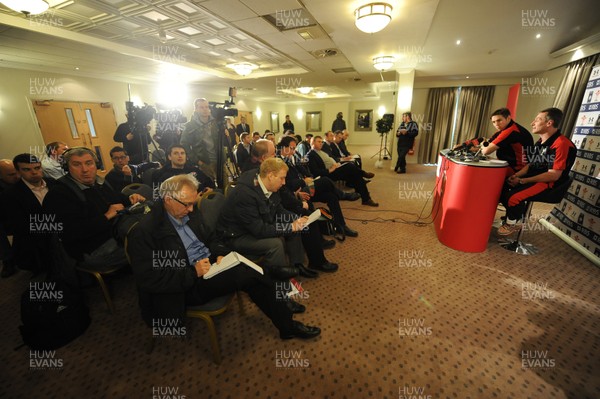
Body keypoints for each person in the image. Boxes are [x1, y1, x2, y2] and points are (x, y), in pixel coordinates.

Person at [128, 174, 320, 340]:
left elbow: (210, 239)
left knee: (250, 276)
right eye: (187, 204)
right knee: (248, 275)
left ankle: (285, 321)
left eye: (193, 204)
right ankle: (284, 314)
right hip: (185, 286)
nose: (191, 210)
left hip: (209, 267)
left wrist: (219, 254)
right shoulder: (146, 232)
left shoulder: (187, 212)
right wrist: (192, 272)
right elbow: (149, 280)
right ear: (168, 199)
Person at [43, 147, 146, 266]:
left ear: (96, 164)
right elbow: (70, 233)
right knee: (148, 246)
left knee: (152, 234)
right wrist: (106, 216)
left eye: (89, 163)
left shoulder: (99, 182)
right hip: (92, 249)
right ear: (67, 168)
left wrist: (130, 198)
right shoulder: (58, 194)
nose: (85, 170)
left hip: (115, 232)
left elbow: (116, 198)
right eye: (76, 164)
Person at [217, 157, 310, 279]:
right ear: (271, 175)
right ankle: (276, 284)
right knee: (275, 244)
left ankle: (297, 266)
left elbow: (278, 209)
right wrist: (290, 226)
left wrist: (294, 219)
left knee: (294, 226)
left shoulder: (269, 184)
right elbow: (260, 230)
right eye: (282, 178)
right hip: (236, 236)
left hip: (254, 226)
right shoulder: (245, 194)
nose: (284, 182)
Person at [498, 108, 576, 235]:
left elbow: (553, 175)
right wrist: (516, 176)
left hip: (549, 184)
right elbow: (531, 165)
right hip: (534, 178)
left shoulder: (561, 144)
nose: (532, 123)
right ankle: (517, 216)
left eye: (537, 119)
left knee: (513, 198)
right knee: (500, 188)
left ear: (549, 123)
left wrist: (522, 181)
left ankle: (513, 222)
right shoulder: (540, 141)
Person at [278, 136, 359, 237]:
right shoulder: (279, 162)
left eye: (294, 148)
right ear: (283, 148)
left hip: (306, 186)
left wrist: (309, 178)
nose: (294, 151)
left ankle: (341, 226)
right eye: (292, 148)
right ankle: (343, 195)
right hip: (298, 191)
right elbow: (287, 184)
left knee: (331, 196)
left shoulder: (292, 158)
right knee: (325, 180)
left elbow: (306, 171)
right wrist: (303, 181)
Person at [3, 154, 56, 274]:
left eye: (37, 168)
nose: (34, 172)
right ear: (18, 171)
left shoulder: (54, 184)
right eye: (27, 169)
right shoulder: (10, 194)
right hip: (35, 238)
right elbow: (18, 226)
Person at [307, 136, 379, 207]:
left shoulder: (321, 151)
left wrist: (337, 164)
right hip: (329, 173)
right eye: (319, 142)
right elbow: (315, 172)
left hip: (335, 168)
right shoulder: (311, 155)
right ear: (312, 143)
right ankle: (364, 174)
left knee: (356, 175)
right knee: (349, 165)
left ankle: (366, 199)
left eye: (321, 142)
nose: (321, 143)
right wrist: (330, 169)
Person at [180, 98, 222, 186]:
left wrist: (226, 134)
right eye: (201, 107)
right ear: (196, 109)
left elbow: (224, 142)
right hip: (204, 162)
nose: (205, 109)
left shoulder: (217, 123)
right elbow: (184, 145)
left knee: (224, 187)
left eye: (207, 107)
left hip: (220, 160)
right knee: (208, 189)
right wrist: (198, 161)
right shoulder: (189, 126)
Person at [482, 108, 533, 175]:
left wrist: (481, 147)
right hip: (507, 163)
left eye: (499, 120)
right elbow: (489, 142)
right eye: (493, 122)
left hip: (517, 169)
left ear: (508, 118)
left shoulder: (511, 131)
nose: (496, 124)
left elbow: (486, 151)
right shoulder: (505, 129)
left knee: (482, 171)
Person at [0, 159, 20, 277]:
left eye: (16, 172)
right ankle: (8, 259)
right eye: (11, 174)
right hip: (6, 218)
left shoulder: (23, 179)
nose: (17, 176)